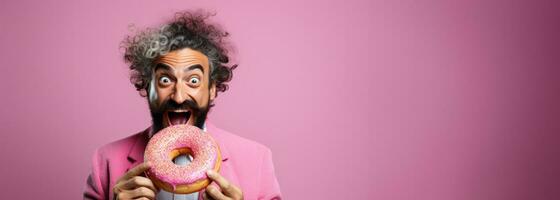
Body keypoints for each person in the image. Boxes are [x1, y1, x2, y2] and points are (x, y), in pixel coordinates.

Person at [84, 11, 282, 200]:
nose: (178, 97)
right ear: (147, 86)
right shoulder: (106, 160)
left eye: (193, 81)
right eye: (165, 80)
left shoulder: (256, 159)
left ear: (212, 88)